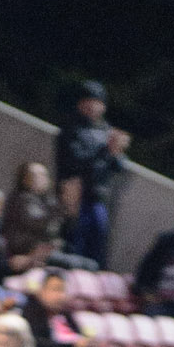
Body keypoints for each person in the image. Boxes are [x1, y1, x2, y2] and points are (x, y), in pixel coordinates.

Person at [55, 80, 129, 266]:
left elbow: (119, 166)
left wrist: (116, 151)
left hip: (98, 200)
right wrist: (106, 150)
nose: (92, 107)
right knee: (73, 251)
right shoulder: (71, 128)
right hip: (75, 199)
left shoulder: (106, 130)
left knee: (96, 253)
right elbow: (75, 163)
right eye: (87, 101)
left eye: (96, 102)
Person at [2, 160, 62, 271]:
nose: (44, 179)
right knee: (82, 264)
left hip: (45, 252)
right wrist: (63, 205)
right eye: (38, 175)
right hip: (27, 254)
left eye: (45, 175)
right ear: (25, 179)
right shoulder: (21, 199)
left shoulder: (44, 199)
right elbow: (39, 222)